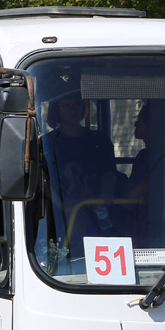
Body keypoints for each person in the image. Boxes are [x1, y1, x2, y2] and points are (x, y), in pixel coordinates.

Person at [41, 91, 119, 237]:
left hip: (98, 211)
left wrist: (106, 193)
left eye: (77, 104)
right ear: (56, 111)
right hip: (60, 215)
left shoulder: (99, 140)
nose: (73, 110)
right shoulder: (47, 143)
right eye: (66, 106)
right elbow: (43, 182)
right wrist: (62, 206)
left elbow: (108, 172)